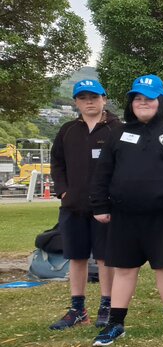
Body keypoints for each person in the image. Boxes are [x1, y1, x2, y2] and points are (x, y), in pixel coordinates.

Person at [89, 75, 163, 347]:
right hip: (124, 214)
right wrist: (100, 205)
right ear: (131, 103)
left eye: (148, 98)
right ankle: (116, 323)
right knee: (124, 269)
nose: (143, 103)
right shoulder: (118, 133)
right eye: (137, 98)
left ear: (159, 101)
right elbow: (103, 172)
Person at [48, 79, 122, 330]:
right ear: (76, 102)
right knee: (76, 257)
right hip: (73, 206)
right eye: (83, 98)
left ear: (104, 99)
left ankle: (107, 304)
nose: (89, 102)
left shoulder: (116, 129)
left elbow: (124, 165)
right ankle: (77, 308)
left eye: (94, 97)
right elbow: (57, 162)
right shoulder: (67, 130)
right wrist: (62, 191)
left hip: (105, 207)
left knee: (104, 258)